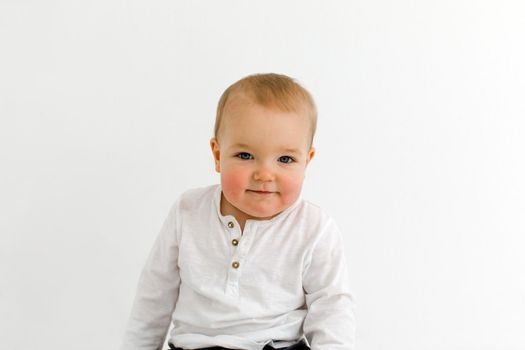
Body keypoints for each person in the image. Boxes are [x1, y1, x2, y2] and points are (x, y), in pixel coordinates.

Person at [120, 73, 356, 350]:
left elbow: (332, 308)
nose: (265, 174)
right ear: (218, 155)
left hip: (276, 346)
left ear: (307, 161)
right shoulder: (188, 211)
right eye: (245, 156)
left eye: (285, 159)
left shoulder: (314, 227)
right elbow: (154, 294)